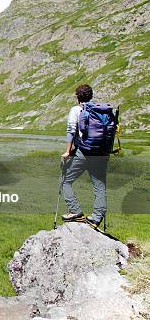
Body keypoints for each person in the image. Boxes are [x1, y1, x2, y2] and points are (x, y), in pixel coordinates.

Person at [60, 84, 109, 227]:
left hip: (84, 151)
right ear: (91, 96)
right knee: (99, 186)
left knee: (65, 180)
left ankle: (75, 211)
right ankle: (96, 217)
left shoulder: (76, 110)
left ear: (77, 97)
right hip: (101, 153)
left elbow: (71, 130)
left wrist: (67, 152)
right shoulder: (101, 111)